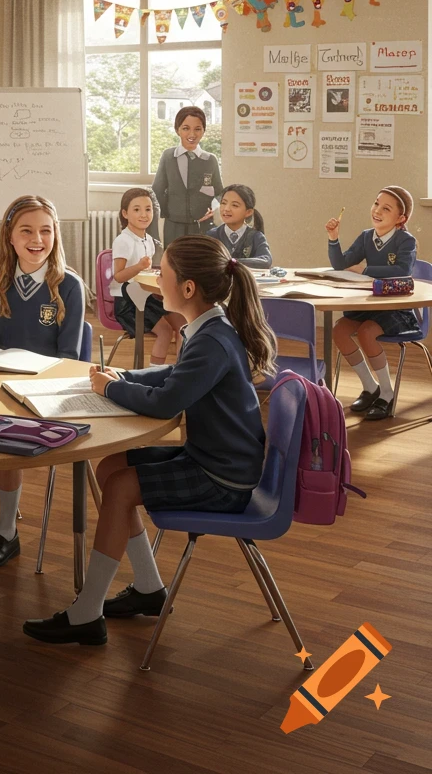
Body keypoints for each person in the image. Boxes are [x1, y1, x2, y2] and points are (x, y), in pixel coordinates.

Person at [23, 235, 276, 646]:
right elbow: (173, 377)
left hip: (223, 478)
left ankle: (86, 613)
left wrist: (110, 391)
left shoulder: (211, 339)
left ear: (188, 288)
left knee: (121, 486)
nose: (156, 278)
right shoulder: (208, 325)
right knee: (110, 465)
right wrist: (123, 378)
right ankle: (148, 588)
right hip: (217, 460)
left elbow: (167, 402)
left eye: (163, 273)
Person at [0, 195, 85, 569]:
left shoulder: (69, 286)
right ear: (10, 236)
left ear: (55, 235)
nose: (37, 238)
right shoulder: (1, 278)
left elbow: (69, 359)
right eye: (26, 230)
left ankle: (8, 530)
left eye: (46, 230)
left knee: (3, 435)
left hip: (41, 392)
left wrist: (32, 380)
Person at [326, 185, 418, 421]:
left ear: (401, 218)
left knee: (367, 333)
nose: (377, 210)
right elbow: (341, 264)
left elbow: (402, 270)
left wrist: (366, 270)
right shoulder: (367, 236)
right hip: (367, 305)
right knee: (339, 331)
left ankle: (387, 393)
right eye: (376, 203)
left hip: (394, 308)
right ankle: (370, 387)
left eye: (386, 208)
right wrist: (333, 239)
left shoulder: (406, 240)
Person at [110, 187, 183, 365]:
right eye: (137, 210)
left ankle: (182, 369)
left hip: (145, 295)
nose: (144, 214)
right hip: (128, 303)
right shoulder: (123, 241)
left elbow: (144, 272)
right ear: (125, 213)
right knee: (165, 331)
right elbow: (119, 276)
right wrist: (139, 266)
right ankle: (153, 372)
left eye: (148, 209)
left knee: (183, 325)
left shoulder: (148, 239)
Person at [152, 106, 222, 247]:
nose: (192, 134)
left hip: (202, 226)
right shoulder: (168, 156)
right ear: (177, 130)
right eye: (186, 128)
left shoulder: (210, 160)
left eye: (197, 129)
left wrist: (213, 208)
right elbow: (157, 190)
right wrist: (168, 213)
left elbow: (220, 192)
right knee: (175, 262)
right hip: (174, 225)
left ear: (203, 131)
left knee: (200, 262)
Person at [206, 184, 272, 269]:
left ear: (248, 212)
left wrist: (231, 262)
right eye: (223, 203)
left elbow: (266, 261)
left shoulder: (255, 236)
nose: (226, 209)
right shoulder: (212, 235)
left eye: (234, 205)